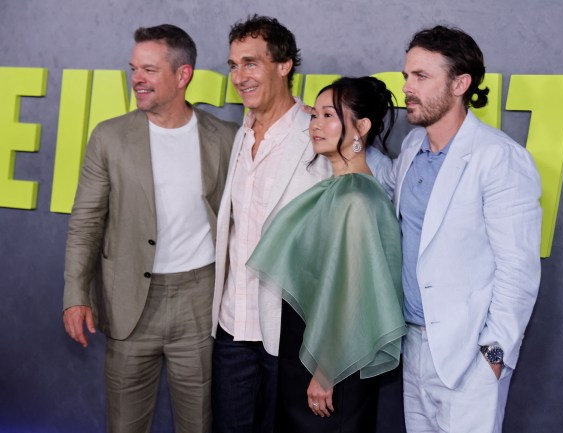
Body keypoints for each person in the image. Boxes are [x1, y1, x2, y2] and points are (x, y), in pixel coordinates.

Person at [210, 15, 388, 433]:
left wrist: (327, 358)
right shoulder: (241, 135)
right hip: (232, 328)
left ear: (284, 65)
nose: (239, 76)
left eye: (251, 63)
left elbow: (347, 256)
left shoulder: (320, 137)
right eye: (233, 65)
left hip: (289, 338)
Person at [62, 24, 238, 433]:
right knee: (125, 425)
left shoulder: (225, 138)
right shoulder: (109, 137)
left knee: (198, 424)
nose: (137, 79)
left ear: (182, 75)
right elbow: (85, 222)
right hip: (128, 302)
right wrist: (75, 295)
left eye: (149, 70)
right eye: (133, 68)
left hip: (198, 301)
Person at [384, 25, 543, 433]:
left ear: (460, 83)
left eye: (421, 76)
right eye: (406, 76)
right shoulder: (411, 148)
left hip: (469, 356)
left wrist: (493, 357)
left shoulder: (499, 157)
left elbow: (518, 268)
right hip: (414, 345)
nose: (407, 88)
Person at [247, 76, 406, 433]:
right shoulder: (337, 189)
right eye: (314, 115)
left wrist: (326, 371)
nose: (315, 125)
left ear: (361, 127)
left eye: (329, 115)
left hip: (331, 369)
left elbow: (353, 294)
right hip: (310, 357)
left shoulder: (356, 198)